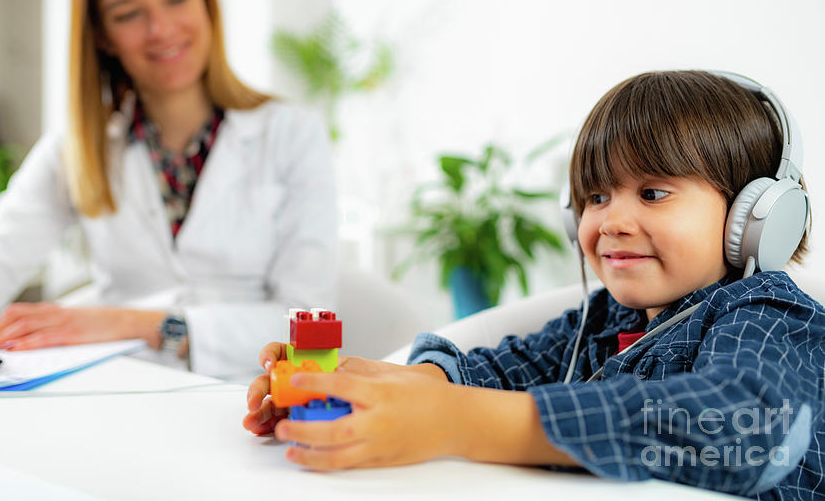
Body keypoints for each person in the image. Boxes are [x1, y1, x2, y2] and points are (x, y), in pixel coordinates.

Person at [243, 71, 824, 499]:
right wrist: (374, 389)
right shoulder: (604, 319)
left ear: (757, 217)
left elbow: (744, 425)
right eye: (595, 197)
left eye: (652, 193)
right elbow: (499, 369)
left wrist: (456, 420)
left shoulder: (767, 312)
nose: (610, 221)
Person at [0, 0, 337, 379]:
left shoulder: (292, 134)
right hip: (118, 388)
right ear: (102, 36)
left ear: (206, 0)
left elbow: (310, 323)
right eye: (128, 14)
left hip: (250, 394)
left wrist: (143, 324)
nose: (160, 29)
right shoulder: (79, 147)